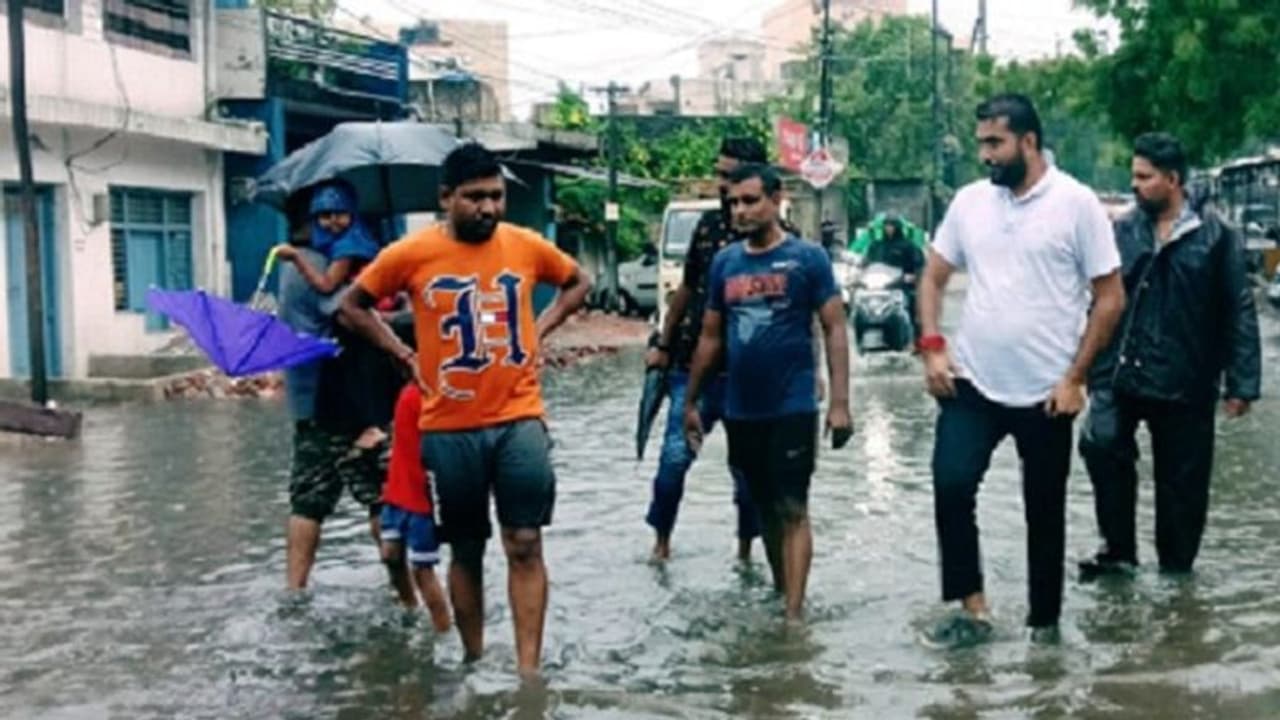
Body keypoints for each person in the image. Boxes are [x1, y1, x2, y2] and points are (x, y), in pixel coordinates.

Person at [338, 143, 592, 676]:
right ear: (446, 198)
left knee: (524, 541)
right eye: (475, 197)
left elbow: (577, 281)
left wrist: (540, 329)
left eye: (496, 197)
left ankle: (528, 674)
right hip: (448, 426)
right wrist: (401, 352)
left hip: (519, 416)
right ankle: (475, 661)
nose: (489, 208)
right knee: (467, 548)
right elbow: (351, 305)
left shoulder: (524, 245)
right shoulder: (410, 254)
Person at [917, 94, 1126, 647]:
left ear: (1028, 142)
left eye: (995, 143)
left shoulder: (1077, 204)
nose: (985, 155)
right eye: (982, 142)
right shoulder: (969, 204)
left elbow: (1110, 298)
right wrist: (933, 346)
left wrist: (1076, 377)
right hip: (973, 382)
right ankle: (974, 609)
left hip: (1047, 391)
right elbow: (932, 277)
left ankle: (1044, 631)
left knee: (1044, 513)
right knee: (950, 484)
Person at [1078, 132, 1261, 579]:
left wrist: (1242, 383)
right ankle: (1118, 552)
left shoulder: (1217, 238)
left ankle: (1177, 574)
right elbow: (1097, 296)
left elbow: (1238, 308)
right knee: (1099, 443)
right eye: (1133, 176)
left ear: (1173, 180)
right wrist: (1080, 366)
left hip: (1186, 376)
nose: (1135, 185)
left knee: (1183, 484)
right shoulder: (1122, 231)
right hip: (1122, 366)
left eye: (1145, 177)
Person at [684, 163, 852, 620]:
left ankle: (793, 620)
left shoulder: (808, 259)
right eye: (733, 202)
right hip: (743, 409)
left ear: (776, 200)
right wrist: (690, 401)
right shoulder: (725, 263)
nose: (739, 210)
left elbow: (834, 327)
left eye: (750, 200)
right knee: (764, 509)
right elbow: (711, 336)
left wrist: (839, 403)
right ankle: (784, 594)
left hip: (793, 403)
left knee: (793, 506)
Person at [645, 137, 767, 562]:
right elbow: (687, 289)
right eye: (718, 174)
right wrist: (663, 343)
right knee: (673, 461)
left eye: (726, 174)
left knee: (750, 475)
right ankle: (661, 544)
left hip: (751, 378)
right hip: (692, 368)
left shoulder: (783, 244)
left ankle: (746, 551)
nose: (719, 185)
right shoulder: (708, 228)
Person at [277, 216, 385, 590]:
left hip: (306, 401)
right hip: (344, 401)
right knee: (380, 496)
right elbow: (352, 315)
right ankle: (401, 589)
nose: (333, 225)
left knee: (307, 501)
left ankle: (294, 591)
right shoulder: (319, 266)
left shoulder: (293, 269)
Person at [379, 381, 452, 631]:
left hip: (419, 497)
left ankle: (443, 628)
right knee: (390, 554)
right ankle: (410, 608)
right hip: (397, 490)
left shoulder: (432, 394)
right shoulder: (409, 390)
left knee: (423, 570)